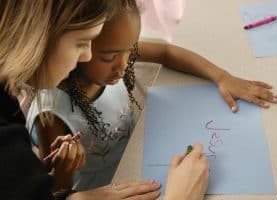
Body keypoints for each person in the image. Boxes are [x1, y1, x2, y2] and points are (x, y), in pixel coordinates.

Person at [27, 0, 277, 196]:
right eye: (109, 58)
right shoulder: (51, 115)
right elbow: (57, 191)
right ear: (79, 46)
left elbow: (166, 51)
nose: (124, 65)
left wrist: (222, 76)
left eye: (130, 50)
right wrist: (64, 168)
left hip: (143, 151)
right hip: (110, 189)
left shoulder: (115, 48)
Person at [0, 1, 209, 200]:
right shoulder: (39, 121)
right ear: (38, 35)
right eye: (82, 43)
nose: (86, 56)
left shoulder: (9, 103)